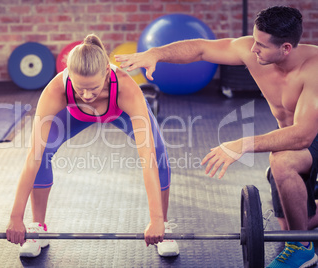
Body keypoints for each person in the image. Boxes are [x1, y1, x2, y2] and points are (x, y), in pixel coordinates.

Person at [115, 6, 318, 268]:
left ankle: (302, 249)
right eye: (254, 40)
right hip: (294, 138)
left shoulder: (313, 70)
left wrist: (241, 144)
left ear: (286, 48)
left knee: (282, 162)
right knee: (288, 223)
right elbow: (201, 48)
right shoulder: (252, 50)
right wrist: (156, 53)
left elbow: (303, 136)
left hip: (308, 136)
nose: (252, 49)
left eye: (261, 45)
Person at [6, 34, 179, 258]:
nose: (87, 95)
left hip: (120, 112)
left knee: (158, 154)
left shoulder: (127, 88)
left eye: (93, 88)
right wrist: (15, 218)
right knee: (42, 152)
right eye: (80, 88)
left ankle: (163, 226)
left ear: (107, 72)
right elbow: (33, 157)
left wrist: (155, 221)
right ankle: (38, 228)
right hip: (73, 115)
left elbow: (148, 159)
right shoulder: (56, 90)